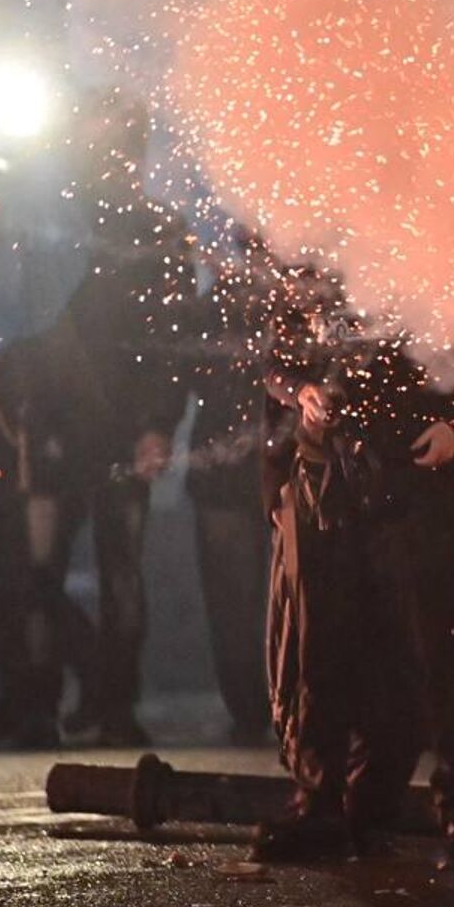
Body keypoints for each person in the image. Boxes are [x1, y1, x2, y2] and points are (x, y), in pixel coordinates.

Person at [258, 264, 454, 871]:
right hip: (336, 480)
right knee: (325, 641)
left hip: (422, 481)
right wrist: (301, 392)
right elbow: (277, 357)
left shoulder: (452, 242)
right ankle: (322, 800)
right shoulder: (314, 246)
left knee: (437, 646)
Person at [0, 93, 195, 748]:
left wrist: (158, 424)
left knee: (121, 574)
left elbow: (173, 340)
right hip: (49, 427)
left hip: (122, 428)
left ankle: (112, 703)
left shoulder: (158, 231)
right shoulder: (54, 225)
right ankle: (39, 702)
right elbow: (23, 326)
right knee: (38, 569)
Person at [0, 157, 100, 745]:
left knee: (34, 581)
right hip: (16, 446)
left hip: (44, 448)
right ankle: (20, 698)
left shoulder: (35, 281)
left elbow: (36, 369)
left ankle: (59, 699)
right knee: (7, 581)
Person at [187, 224, 279, 745]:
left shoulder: (235, 303)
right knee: (236, 598)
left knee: (257, 598)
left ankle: (261, 707)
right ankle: (250, 707)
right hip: (231, 468)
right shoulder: (219, 304)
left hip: (267, 464)